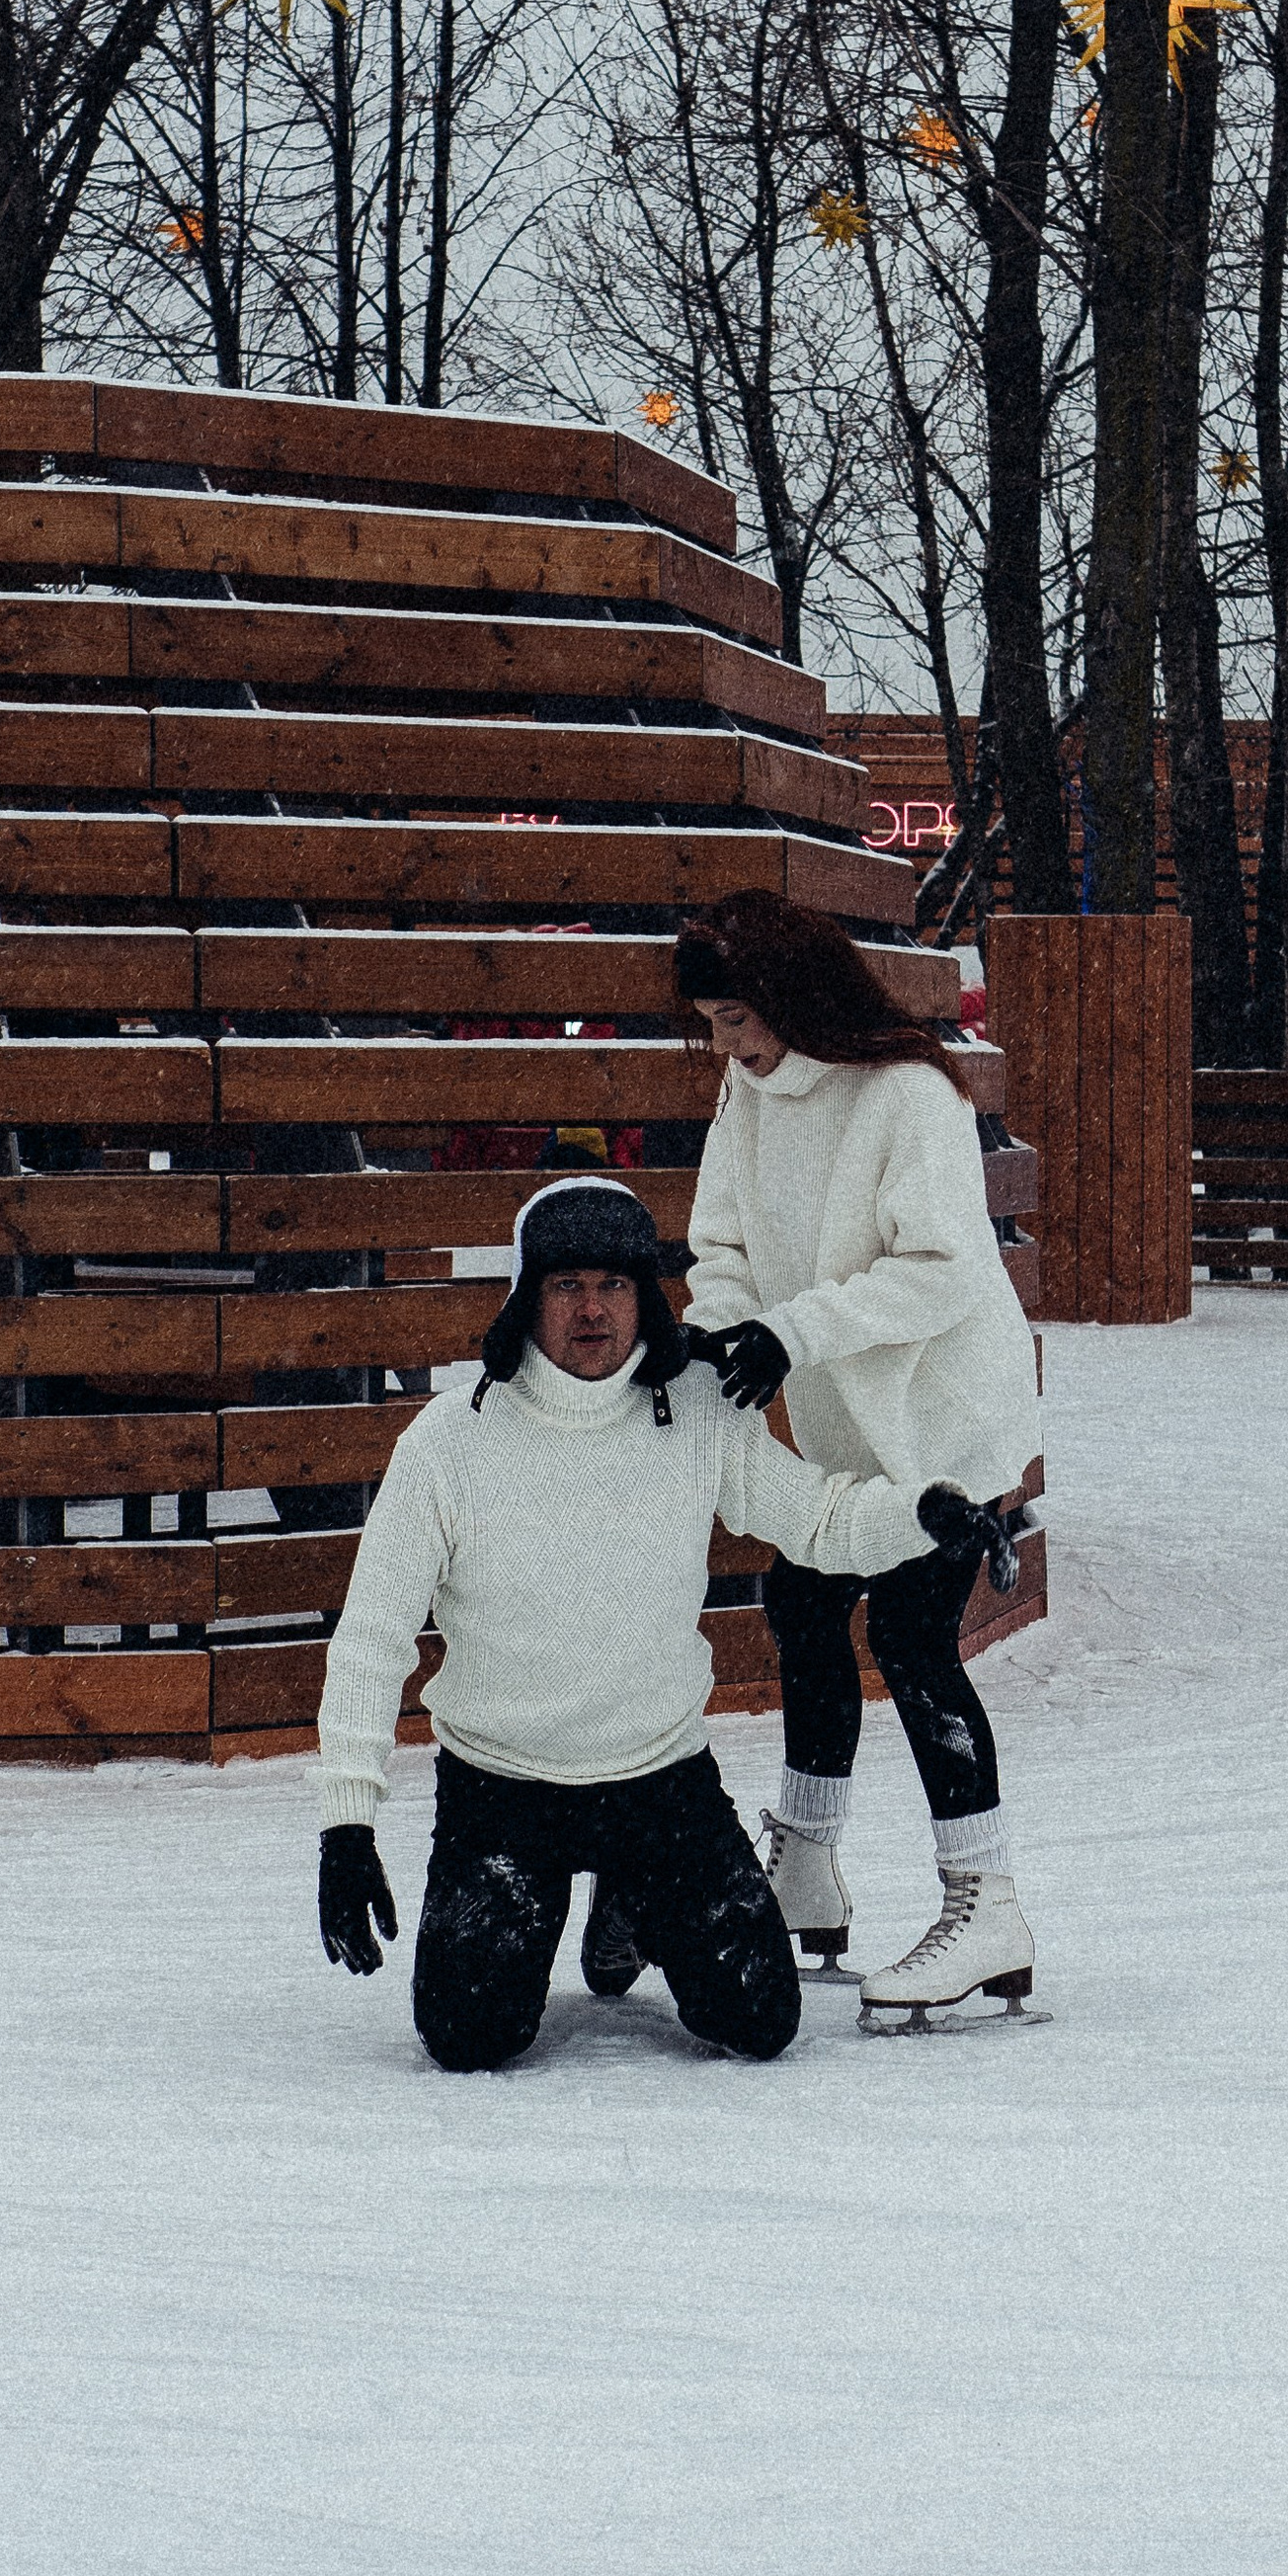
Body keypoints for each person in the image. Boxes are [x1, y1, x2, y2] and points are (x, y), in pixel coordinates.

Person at [313, 1174, 1018, 2069]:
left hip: (658, 1782)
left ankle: (634, 1893)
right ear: (526, 1298)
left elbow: (820, 1519)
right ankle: (589, 1895)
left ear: (646, 1296)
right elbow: (371, 1641)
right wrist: (347, 1827)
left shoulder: (696, 1412)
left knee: (759, 2020)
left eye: (614, 1284)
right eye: (567, 1285)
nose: (592, 1309)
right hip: (503, 1787)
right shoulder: (449, 1442)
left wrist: (926, 1513)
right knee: (469, 2037)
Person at [667, 887, 1044, 2023]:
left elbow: (941, 1270)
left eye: (736, 1021)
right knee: (802, 1603)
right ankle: (806, 1863)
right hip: (840, 1414)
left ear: (791, 995)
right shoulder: (749, 1089)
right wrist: (722, 1329)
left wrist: (790, 1332)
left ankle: (985, 1901)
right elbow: (723, 1244)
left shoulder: (909, 1093)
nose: (726, 1047)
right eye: (712, 1026)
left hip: (941, 1416)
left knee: (913, 1637)